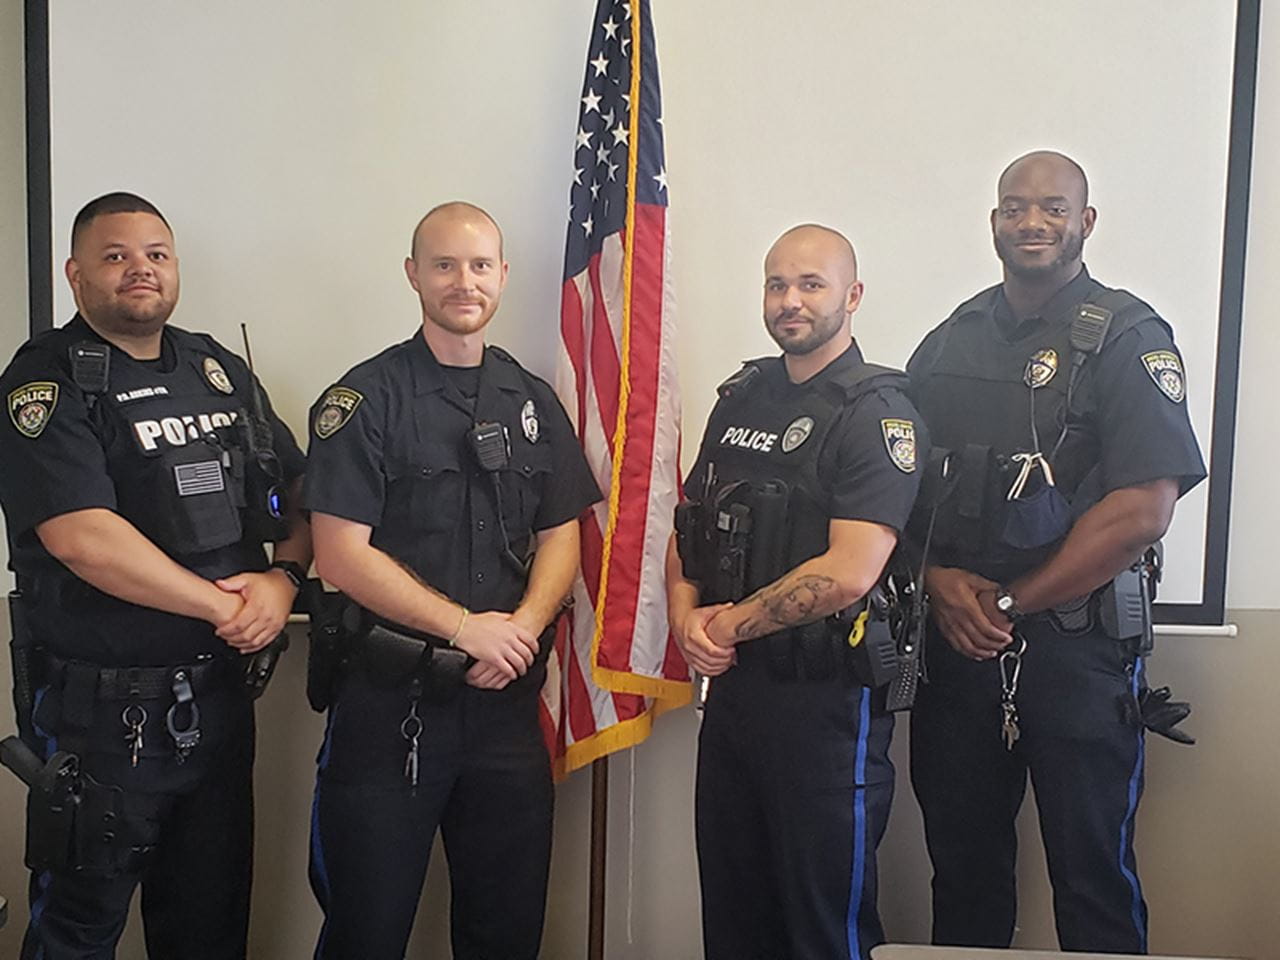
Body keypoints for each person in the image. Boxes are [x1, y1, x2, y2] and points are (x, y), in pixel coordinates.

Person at [906, 151, 1206, 953]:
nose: (1031, 222)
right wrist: (938, 584)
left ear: (1085, 221)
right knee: (962, 874)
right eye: (1014, 207)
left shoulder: (1129, 336)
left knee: (1092, 879)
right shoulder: (951, 341)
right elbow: (894, 491)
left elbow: (1143, 510)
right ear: (995, 220)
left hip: (1078, 652)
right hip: (960, 652)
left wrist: (1010, 602)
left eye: (1051, 207)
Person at [0, 192, 310, 959]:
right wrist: (220, 604)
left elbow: (305, 495)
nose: (140, 269)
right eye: (116, 256)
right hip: (101, 719)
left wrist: (285, 581)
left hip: (218, 700)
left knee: (208, 929)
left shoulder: (216, 368)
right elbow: (81, 537)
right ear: (75, 275)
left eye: (156, 254)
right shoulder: (46, 381)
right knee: (78, 931)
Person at [304, 201, 600, 960]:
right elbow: (339, 554)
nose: (462, 281)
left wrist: (525, 627)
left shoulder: (532, 401)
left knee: (505, 933)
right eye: (443, 265)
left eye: (478, 266)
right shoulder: (365, 400)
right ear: (413, 275)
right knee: (365, 931)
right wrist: (468, 629)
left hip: (504, 708)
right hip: (388, 711)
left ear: (501, 276)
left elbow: (561, 531)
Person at [667, 224, 928, 960]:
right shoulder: (742, 398)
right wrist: (687, 615)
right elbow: (691, 522)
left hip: (825, 711)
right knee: (734, 915)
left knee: (822, 930)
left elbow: (850, 568)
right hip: (735, 700)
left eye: (810, 284)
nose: (790, 300)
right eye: (777, 284)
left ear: (852, 295)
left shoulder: (877, 417)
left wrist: (724, 628)